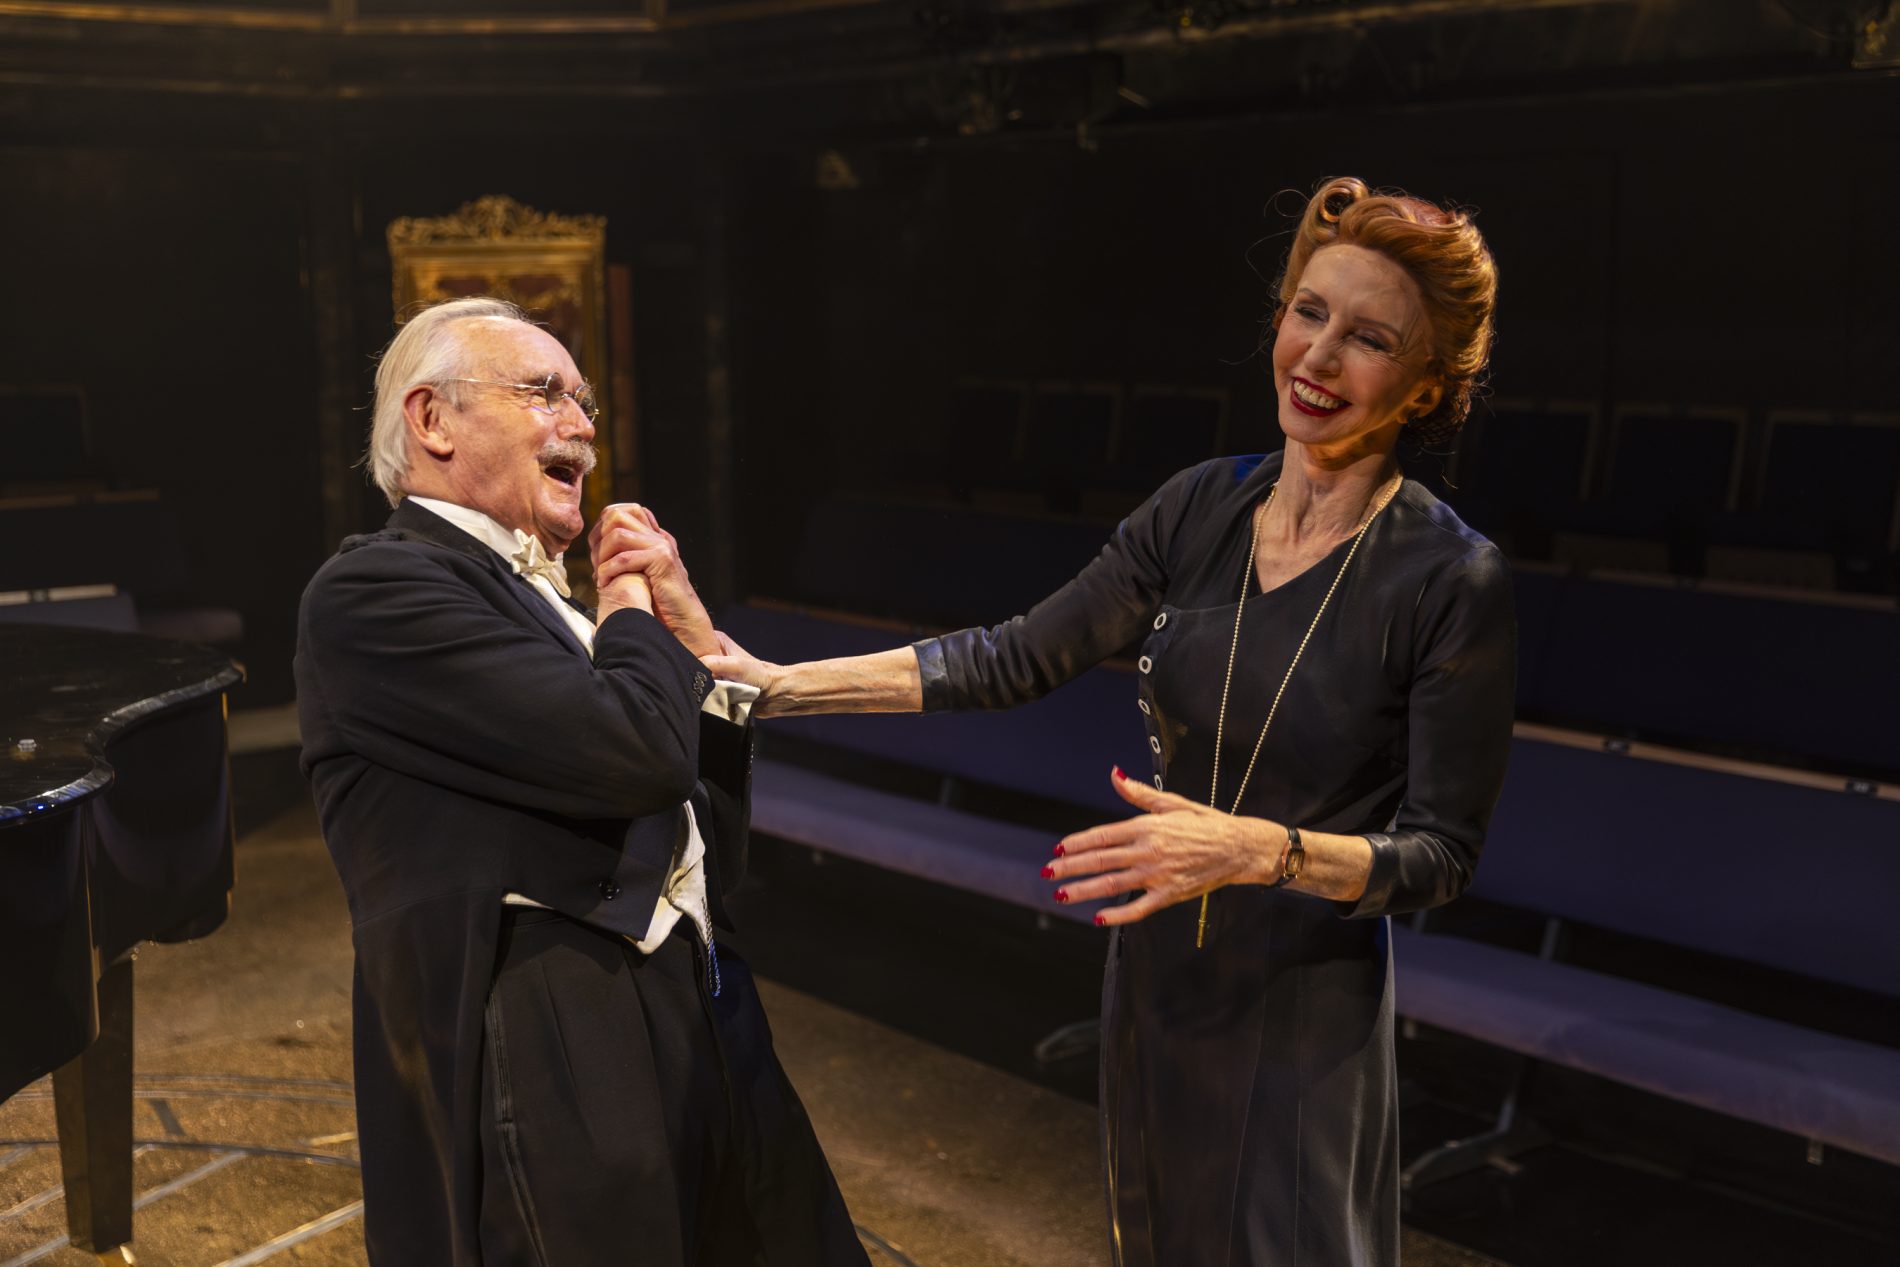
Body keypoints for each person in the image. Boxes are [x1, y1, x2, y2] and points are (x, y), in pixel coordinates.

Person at [704, 176, 1515, 1265]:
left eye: (1367, 337)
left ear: (1422, 385)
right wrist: (766, 682)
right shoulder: (1198, 505)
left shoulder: (1447, 573)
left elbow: (1440, 855)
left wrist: (1249, 849)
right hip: (1156, 971)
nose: (1318, 359)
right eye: (1307, 312)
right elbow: (1010, 655)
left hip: (1301, 1003)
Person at [295, 296, 870, 1267]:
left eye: (587, 402)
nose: (584, 425)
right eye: (542, 392)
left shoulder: (541, 600)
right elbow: (635, 755)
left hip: (699, 998)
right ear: (431, 421)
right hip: (555, 1025)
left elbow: (698, 824)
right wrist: (631, 602)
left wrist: (693, 645)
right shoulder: (373, 592)